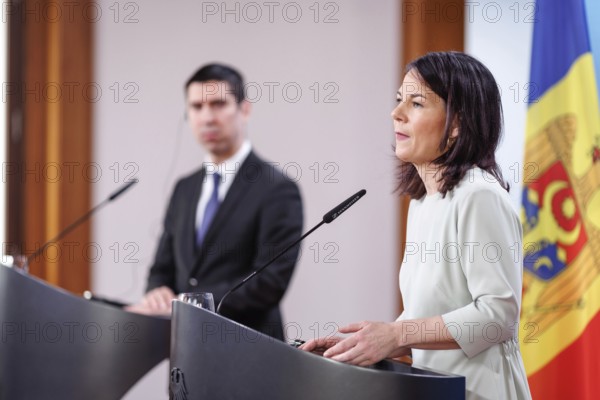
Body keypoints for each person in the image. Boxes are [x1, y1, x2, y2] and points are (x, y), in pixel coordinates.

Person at [301, 52, 532, 399]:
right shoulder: (424, 201)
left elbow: (499, 316)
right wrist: (367, 345)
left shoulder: (479, 197)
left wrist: (396, 335)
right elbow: (430, 313)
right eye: (398, 100)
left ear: (456, 124)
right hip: (436, 389)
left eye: (417, 103)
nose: (396, 113)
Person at [128, 63, 304, 340]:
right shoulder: (184, 188)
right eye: (196, 106)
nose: (207, 117)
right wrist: (156, 292)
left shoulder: (278, 189)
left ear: (244, 109)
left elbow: (269, 283)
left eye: (219, 104)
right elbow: (162, 267)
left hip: (250, 352)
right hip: (186, 353)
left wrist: (186, 304)